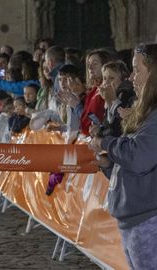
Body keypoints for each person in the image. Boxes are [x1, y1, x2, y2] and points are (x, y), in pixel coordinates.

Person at [89, 43, 157, 269]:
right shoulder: (144, 112)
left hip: (148, 221)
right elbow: (132, 163)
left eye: (137, 70)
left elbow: (139, 157)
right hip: (135, 220)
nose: (132, 77)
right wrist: (109, 164)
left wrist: (105, 142)